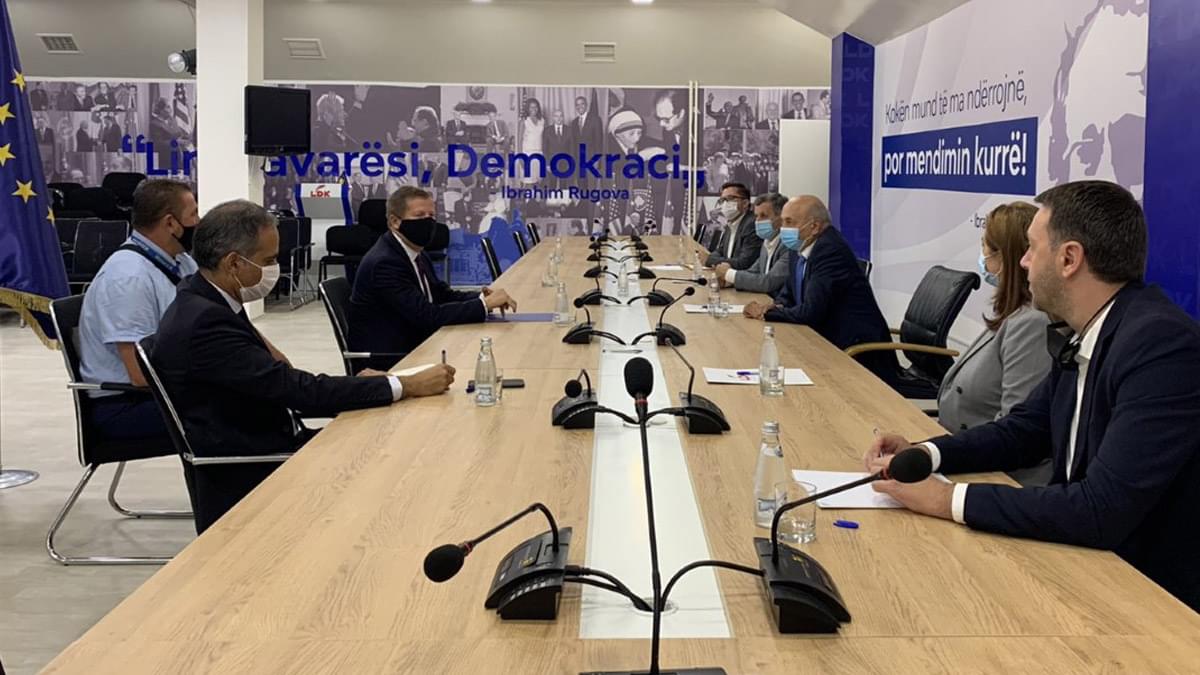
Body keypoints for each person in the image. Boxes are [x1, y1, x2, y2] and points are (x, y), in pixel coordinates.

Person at [865, 180, 1200, 612]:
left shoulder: (1160, 346)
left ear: (1069, 259)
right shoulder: (1090, 329)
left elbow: (1101, 509)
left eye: (1031, 249)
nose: (1022, 262)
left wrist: (946, 499)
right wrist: (926, 454)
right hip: (1087, 567)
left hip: (1151, 600)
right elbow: (1024, 431)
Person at [151, 200, 456, 533]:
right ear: (234, 263)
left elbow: (280, 374)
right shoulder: (206, 323)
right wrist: (402, 385)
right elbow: (299, 392)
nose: (276, 268)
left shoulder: (203, 295)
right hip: (253, 464)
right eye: (269, 261)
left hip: (267, 436)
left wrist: (378, 386)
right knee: (398, 454)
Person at [937, 202, 1052, 485]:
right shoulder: (1012, 314)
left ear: (1006, 257)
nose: (982, 257)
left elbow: (1014, 433)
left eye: (985, 247)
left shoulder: (1032, 323)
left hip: (996, 476)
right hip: (964, 457)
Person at [78, 180, 199, 441]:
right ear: (171, 223)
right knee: (240, 413)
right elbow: (140, 374)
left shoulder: (181, 261)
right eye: (193, 214)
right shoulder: (128, 278)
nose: (198, 222)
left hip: (165, 390)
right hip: (126, 403)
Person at [348, 186, 518, 371]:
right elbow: (427, 316)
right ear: (395, 221)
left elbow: (440, 294)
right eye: (420, 216)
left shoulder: (415, 252)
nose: (428, 222)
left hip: (418, 343)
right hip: (390, 361)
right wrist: (483, 305)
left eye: (431, 216)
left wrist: (482, 297)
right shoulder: (385, 263)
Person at [743, 196, 897, 382]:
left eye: (789, 222)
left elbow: (810, 312)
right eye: (783, 221)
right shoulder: (799, 247)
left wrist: (767, 312)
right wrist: (777, 306)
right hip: (823, 339)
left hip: (857, 352)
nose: (783, 228)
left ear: (814, 227)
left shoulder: (830, 251)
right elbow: (788, 294)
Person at [715, 193, 789, 295]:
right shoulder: (767, 241)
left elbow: (768, 282)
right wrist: (728, 282)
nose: (757, 221)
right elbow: (752, 272)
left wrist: (728, 273)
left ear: (781, 218)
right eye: (756, 216)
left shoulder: (787, 245)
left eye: (763, 216)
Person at [704, 182, 758, 270]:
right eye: (722, 200)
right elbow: (720, 251)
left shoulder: (752, 224)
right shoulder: (730, 224)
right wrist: (711, 259)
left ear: (745, 203)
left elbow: (744, 263)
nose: (725, 204)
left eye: (729, 199)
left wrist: (710, 260)